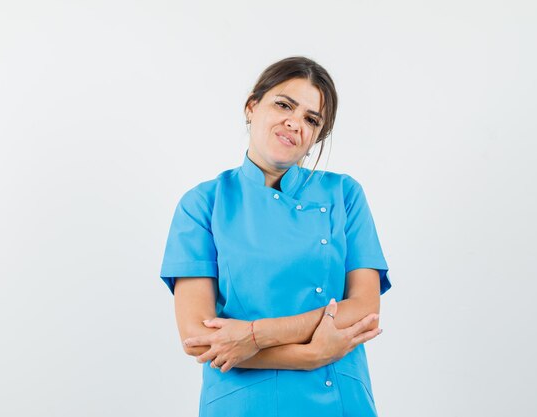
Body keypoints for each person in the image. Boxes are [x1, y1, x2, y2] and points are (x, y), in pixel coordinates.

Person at [159, 56, 391, 417]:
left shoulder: (344, 194)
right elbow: (198, 336)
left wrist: (253, 335)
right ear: (252, 107)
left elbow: (364, 308)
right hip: (244, 402)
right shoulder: (203, 203)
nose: (294, 123)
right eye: (284, 104)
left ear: (316, 137)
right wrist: (311, 354)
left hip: (339, 399)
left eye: (311, 120)